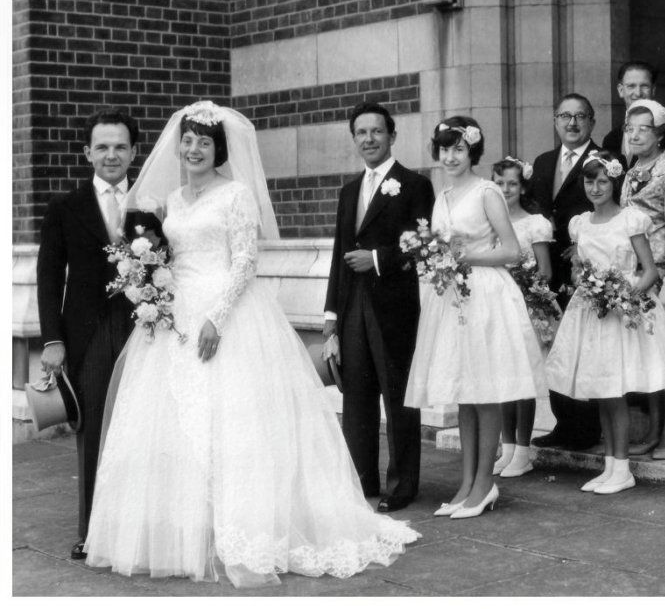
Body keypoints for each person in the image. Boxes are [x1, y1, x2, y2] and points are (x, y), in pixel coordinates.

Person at [84, 101, 419, 588]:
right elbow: (170, 257)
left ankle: (244, 529)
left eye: (204, 142)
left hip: (228, 317)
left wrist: (216, 319)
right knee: (172, 421)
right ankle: (184, 529)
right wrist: (154, 289)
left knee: (235, 424)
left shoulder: (236, 194)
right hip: (177, 316)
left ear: (219, 150)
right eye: (189, 140)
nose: (194, 149)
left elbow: (244, 262)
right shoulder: (173, 201)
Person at [405, 116, 547, 518]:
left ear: (473, 152)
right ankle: (466, 483)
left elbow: (512, 250)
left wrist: (467, 256)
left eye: (459, 149)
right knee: (466, 397)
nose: (450, 157)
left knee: (484, 393)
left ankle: (485, 484)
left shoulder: (487, 192)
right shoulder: (443, 196)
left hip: (485, 293)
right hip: (453, 297)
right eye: (444, 149)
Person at [545, 149, 665, 494]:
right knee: (601, 392)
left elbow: (650, 270)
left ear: (614, 182)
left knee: (615, 392)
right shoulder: (579, 223)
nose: (596, 188)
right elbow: (582, 268)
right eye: (590, 181)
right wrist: (587, 284)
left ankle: (622, 468)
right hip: (592, 310)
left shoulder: (630, 219)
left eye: (603, 181)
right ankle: (610, 465)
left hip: (623, 310)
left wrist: (624, 298)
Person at [37, 110, 140, 561]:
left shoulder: (152, 202)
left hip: (145, 329)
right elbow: (47, 278)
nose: (111, 155)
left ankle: (140, 529)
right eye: (102, 147)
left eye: (120, 146)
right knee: (94, 429)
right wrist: (52, 340)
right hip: (88, 334)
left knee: (145, 429)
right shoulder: (65, 208)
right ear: (87, 153)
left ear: (134, 152)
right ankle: (93, 531)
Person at [324, 102, 435, 512]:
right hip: (352, 307)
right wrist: (331, 317)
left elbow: (421, 245)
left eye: (376, 131)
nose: (368, 139)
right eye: (361, 133)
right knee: (356, 397)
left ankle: (402, 485)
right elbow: (339, 255)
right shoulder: (349, 190)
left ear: (392, 135)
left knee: (398, 396)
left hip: (394, 307)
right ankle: (362, 480)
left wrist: (375, 260)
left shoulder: (413, 185)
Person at [619, 100, 665, 459]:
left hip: (662, 272)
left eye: (642, 128)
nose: (634, 134)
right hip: (636, 271)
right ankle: (652, 430)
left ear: (660, 133)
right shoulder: (631, 171)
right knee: (648, 355)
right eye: (629, 128)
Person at [529, 93, 601, 451]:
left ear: (592, 121)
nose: (572, 124)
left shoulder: (606, 160)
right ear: (555, 120)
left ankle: (587, 429)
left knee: (582, 348)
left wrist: (586, 246)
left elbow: (611, 210)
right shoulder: (542, 163)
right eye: (564, 116)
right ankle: (564, 424)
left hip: (583, 270)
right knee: (554, 346)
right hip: (546, 271)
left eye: (580, 117)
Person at [491, 156, 556, 477]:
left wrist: (523, 282)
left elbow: (544, 270)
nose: (506, 190)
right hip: (496, 310)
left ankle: (523, 450)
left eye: (513, 184)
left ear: (523, 186)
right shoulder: (489, 224)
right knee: (503, 378)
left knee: (523, 380)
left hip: (527, 309)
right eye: (500, 183)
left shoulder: (535, 224)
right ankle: (508, 448)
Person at [602, 60, 665, 170]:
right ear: (621, 90)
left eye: (644, 86)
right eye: (631, 86)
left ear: (653, 90)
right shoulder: (611, 139)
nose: (638, 93)